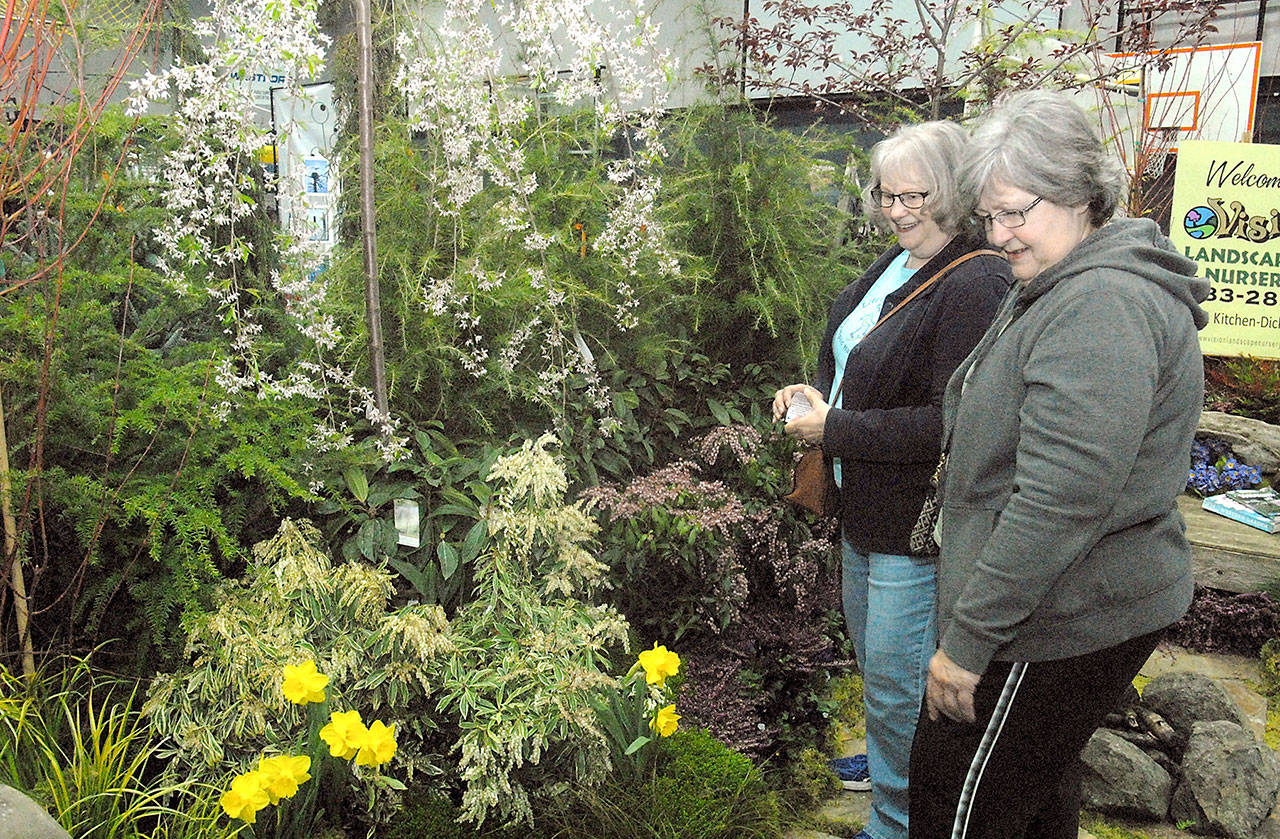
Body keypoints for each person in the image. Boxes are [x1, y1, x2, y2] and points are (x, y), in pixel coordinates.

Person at [908, 89, 1208, 839]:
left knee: (957, 812)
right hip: (1057, 606)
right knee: (1032, 799)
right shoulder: (1064, 277)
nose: (1000, 234)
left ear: (1081, 193)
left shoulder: (1098, 305)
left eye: (1017, 211)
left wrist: (966, 646)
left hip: (1047, 620)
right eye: (989, 215)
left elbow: (1058, 500)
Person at [773, 121, 1010, 839]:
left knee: (903, 682)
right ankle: (889, 778)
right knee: (881, 674)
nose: (899, 210)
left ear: (957, 194)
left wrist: (833, 430)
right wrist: (810, 393)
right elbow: (853, 359)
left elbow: (951, 423)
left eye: (917, 195)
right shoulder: (897, 262)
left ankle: (901, 822)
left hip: (913, 525)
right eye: (887, 194)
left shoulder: (976, 279)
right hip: (864, 509)